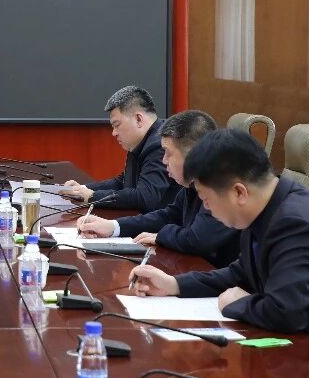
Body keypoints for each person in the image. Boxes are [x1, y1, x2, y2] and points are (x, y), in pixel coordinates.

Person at [128, 129, 309, 378]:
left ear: (239, 192)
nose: (207, 208)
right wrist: (174, 284)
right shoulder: (269, 209)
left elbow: (285, 311)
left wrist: (234, 303)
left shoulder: (295, 224)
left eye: (206, 198)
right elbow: (241, 273)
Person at [78, 110, 239, 269]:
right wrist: (113, 226)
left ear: (193, 155)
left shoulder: (222, 184)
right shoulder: (195, 180)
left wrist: (161, 236)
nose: (164, 161)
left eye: (168, 153)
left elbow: (198, 239)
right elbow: (169, 215)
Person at [60, 85, 176, 212]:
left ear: (138, 119)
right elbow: (122, 182)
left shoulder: (159, 145)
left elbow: (145, 197)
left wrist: (92, 196)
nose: (114, 133)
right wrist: (82, 189)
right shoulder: (141, 141)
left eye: (117, 125)